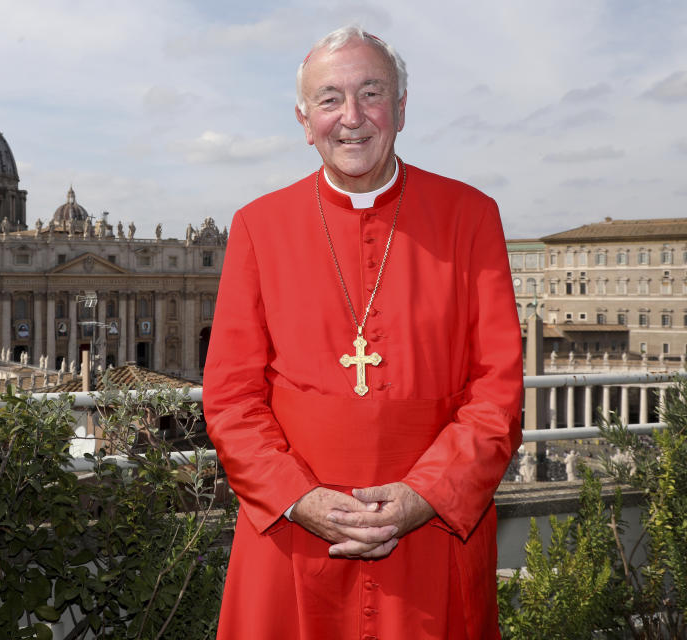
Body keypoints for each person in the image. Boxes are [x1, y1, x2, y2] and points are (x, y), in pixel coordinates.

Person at [203, 25, 523, 639]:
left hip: (431, 537)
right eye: (329, 99)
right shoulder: (257, 226)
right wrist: (301, 498)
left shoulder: (471, 216)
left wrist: (425, 495)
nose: (351, 118)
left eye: (371, 93)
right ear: (304, 119)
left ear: (401, 109)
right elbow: (230, 397)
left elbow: (498, 393)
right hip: (293, 533)